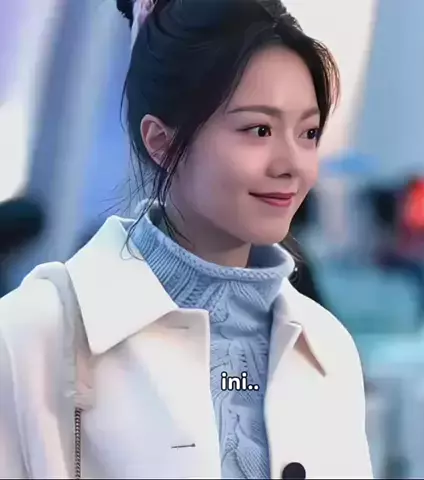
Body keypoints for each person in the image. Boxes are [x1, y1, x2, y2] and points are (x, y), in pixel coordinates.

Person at [0, 0, 372, 478]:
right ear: (161, 141)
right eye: (259, 129)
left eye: (308, 133)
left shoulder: (327, 347)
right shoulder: (34, 335)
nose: (291, 166)